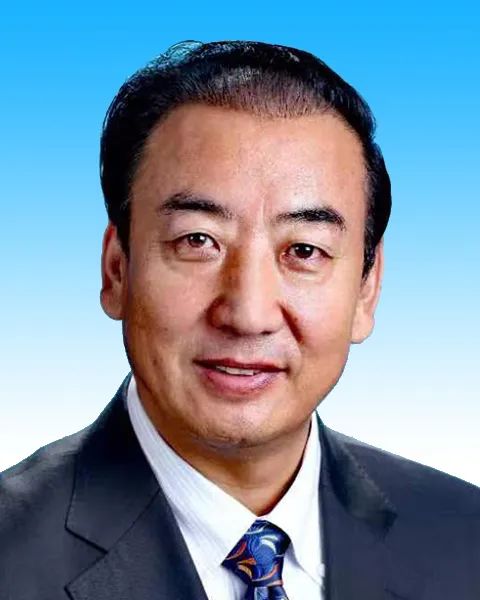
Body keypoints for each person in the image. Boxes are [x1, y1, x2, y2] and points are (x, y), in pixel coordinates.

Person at [0, 40, 478, 600]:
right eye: (198, 241)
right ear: (117, 271)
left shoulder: (464, 540)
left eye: (303, 250)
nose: (248, 315)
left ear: (366, 290)